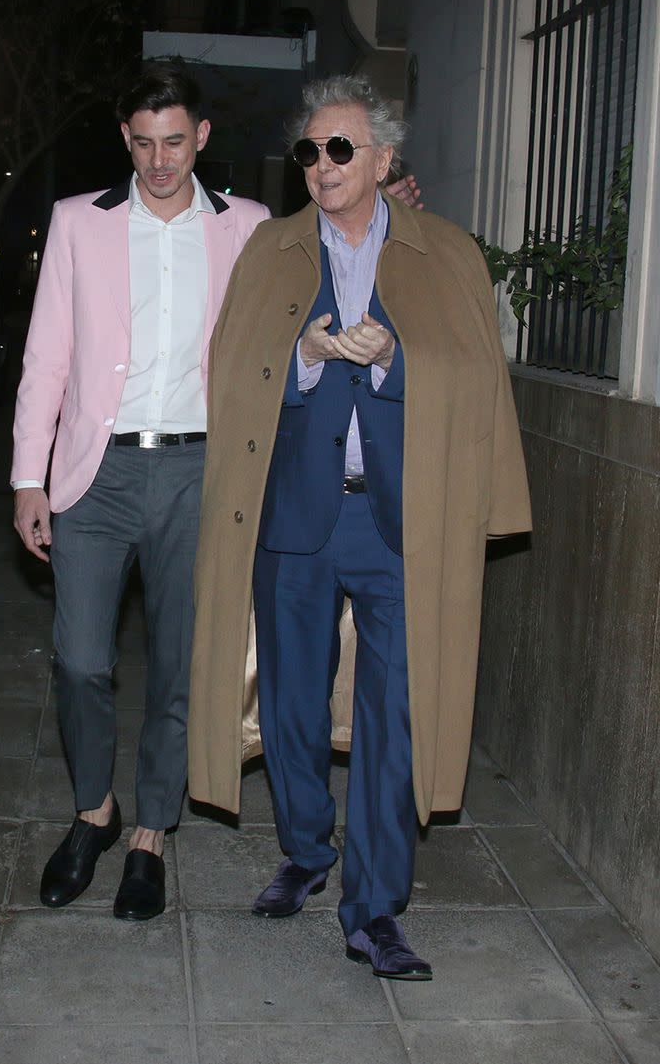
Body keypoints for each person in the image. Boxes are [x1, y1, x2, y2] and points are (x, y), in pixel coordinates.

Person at [188, 75, 532, 978]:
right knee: (293, 705)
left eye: (341, 148)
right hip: (295, 513)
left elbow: (476, 379)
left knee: (395, 718)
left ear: (384, 160)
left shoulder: (446, 253)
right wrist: (299, 357)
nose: (322, 165)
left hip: (401, 521)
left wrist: (395, 362)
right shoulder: (271, 248)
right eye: (310, 149)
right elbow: (230, 369)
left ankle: (375, 907)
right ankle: (306, 847)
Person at [11, 62, 271, 921]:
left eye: (175, 141)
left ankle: (152, 832)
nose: (160, 161)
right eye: (143, 143)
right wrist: (28, 477)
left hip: (201, 471)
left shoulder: (250, 228)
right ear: (126, 139)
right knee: (82, 657)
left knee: (178, 665)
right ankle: (95, 810)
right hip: (97, 470)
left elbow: (320, 276)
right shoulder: (79, 223)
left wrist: (393, 204)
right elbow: (46, 357)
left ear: (201, 137)